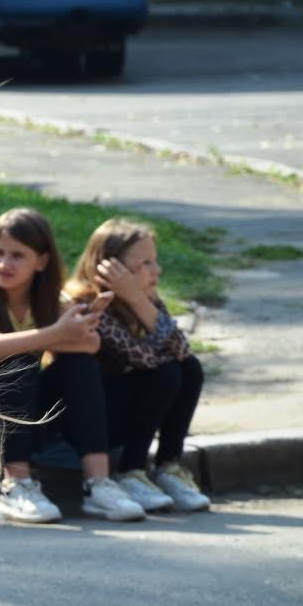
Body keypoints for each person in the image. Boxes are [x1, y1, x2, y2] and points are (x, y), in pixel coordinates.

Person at [0, 208, 147, 523]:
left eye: (17, 255)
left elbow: (90, 344)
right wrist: (53, 335)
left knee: (80, 364)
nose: (4, 263)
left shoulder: (52, 296)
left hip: (29, 409)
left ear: (41, 261)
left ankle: (98, 483)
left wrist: (16, 339)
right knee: (15, 361)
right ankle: (15, 485)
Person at [68, 218, 211, 512]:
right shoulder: (87, 302)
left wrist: (138, 299)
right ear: (111, 270)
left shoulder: (145, 299)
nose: (156, 270)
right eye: (145, 263)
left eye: (154, 261)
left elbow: (183, 352)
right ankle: (130, 472)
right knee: (166, 373)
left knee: (189, 369)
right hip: (85, 423)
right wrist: (135, 297)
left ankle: (168, 467)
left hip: (123, 410)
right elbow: (144, 359)